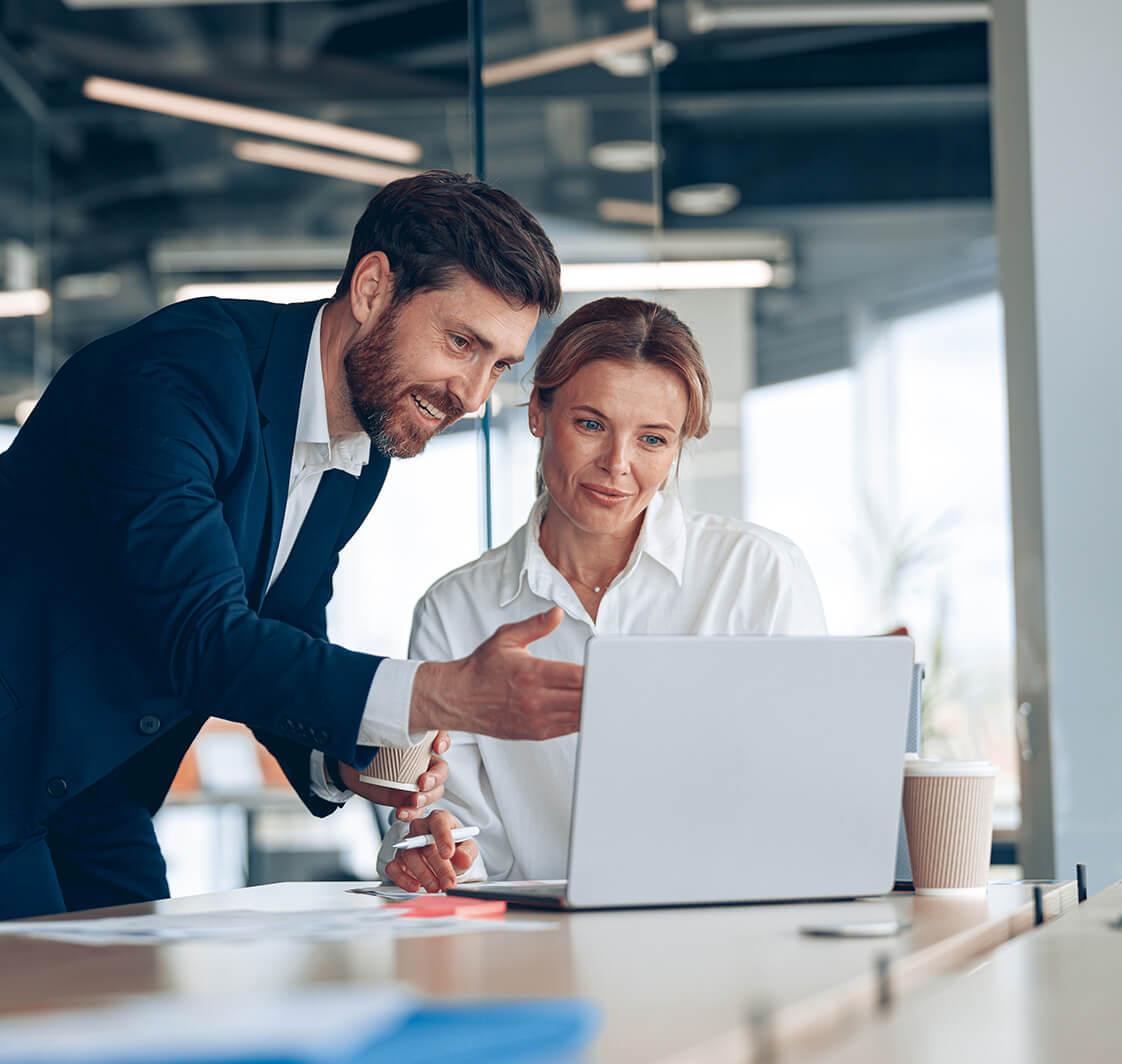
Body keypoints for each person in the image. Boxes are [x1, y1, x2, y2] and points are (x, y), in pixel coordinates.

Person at [0, 170, 585, 920]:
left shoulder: (365, 444)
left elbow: (283, 621)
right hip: (16, 767)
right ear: (373, 288)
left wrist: (351, 758)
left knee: (134, 1022)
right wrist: (442, 690)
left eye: (498, 365)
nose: (472, 397)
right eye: (460, 342)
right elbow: (203, 636)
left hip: (95, 794)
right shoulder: (177, 376)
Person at [380, 296, 827, 892]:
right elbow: (447, 827)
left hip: (727, 936)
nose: (618, 465)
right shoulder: (456, 610)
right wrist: (435, 849)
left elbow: (812, 792)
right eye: (591, 425)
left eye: (653, 440)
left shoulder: (759, 573)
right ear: (539, 411)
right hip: (535, 956)